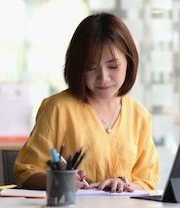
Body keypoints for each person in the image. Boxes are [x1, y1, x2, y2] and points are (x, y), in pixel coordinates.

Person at [13, 12, 160, 193]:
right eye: (91, 68)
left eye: (113, 66)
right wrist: (58, 180)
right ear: (77, 67)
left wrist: (124, 184)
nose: (103, 78)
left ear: (129, 63)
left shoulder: (139, 115)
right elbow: (27, 173)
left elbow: (147, 181)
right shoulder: (58, 108)